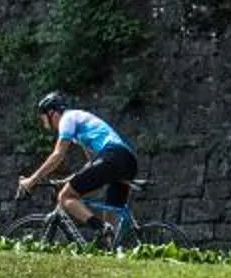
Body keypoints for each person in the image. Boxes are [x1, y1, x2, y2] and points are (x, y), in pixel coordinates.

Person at [18, 90, 140, 247]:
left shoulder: (67, 119)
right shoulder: (81, 125)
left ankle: (100, 227)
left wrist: (31, 180)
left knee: (65, 197)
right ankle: (113, 251)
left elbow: (57, 155)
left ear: (52, 113)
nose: (46, 125)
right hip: (127, 160)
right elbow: (93, 163)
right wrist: (68, 180)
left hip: (113, 156)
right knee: (111, 213)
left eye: (44, 120)